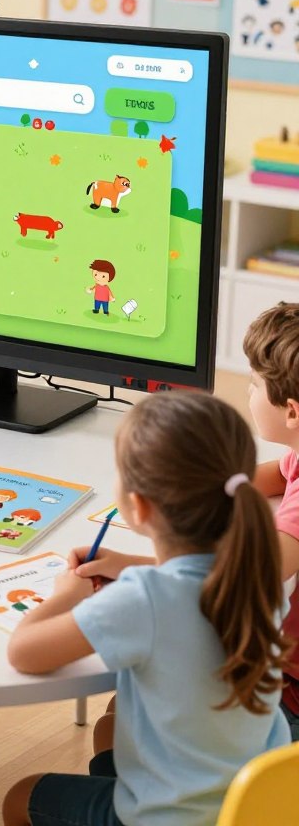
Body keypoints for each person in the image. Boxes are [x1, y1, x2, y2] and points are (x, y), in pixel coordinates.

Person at [2, 392, 291, 826]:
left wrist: (67, 593)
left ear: (138, 506)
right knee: (107, 733)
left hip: (173, 817)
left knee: (21, 796)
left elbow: (24, 652)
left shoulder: (145, 598)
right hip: (253, 805)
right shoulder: (258, 577)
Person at [243, 301, 299, 740]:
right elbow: (272, 476)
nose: (248, 394)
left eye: (253, 385)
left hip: (290, 698)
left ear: (291, 411)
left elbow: (267, 567)